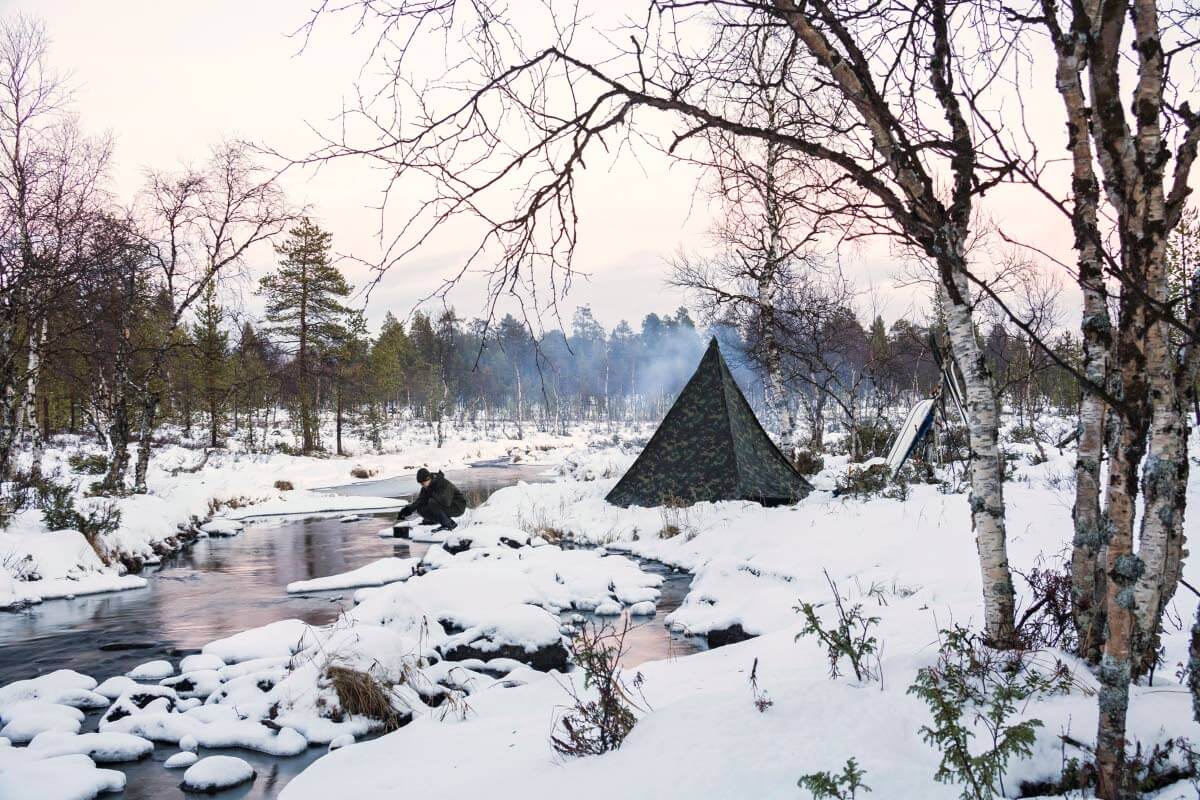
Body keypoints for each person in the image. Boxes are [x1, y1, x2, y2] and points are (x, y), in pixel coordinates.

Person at [397, 468, 467, 532]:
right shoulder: (427, 487)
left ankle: (448, 525)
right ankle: (436, 521)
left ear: (428, 479)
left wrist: (431, 493)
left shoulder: (442, 483)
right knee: (420, 508)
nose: (422, 485)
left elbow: (446, 501)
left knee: (432, 502)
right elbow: (420, 501)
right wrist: (407, 510)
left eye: (423, 483)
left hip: (457, 506)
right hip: (446, 506)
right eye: (421, 484)